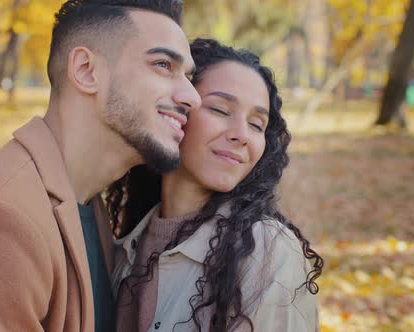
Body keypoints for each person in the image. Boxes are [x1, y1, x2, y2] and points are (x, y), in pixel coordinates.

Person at [0, 1, 201, 331]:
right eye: (163, 64)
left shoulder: (87, 203)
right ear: (85, 70)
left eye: (189, 76)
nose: (192, 97)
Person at [106, 38, 324, 332]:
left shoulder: (266, 253)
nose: (242, 135)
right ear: (175, 113)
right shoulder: (122, 250)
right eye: (221, 110)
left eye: (257, 125)